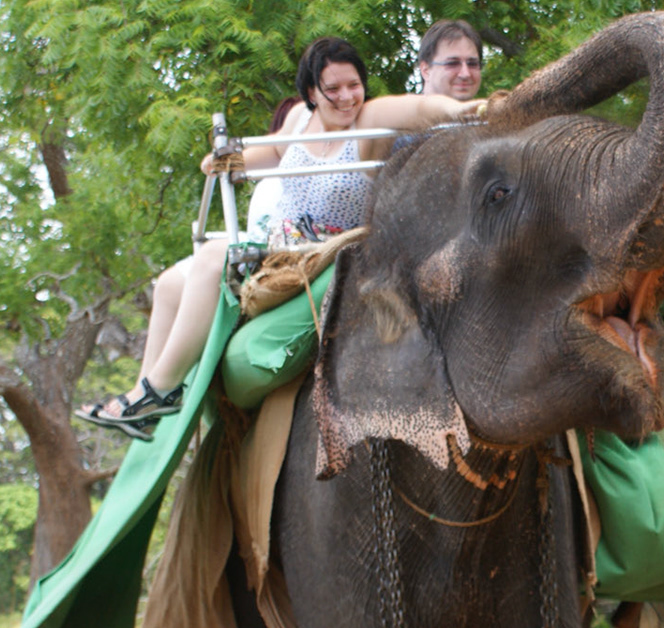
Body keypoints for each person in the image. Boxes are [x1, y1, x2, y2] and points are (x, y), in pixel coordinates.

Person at [78, 37, 479, 440]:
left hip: (317, 253)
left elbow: (419, 108)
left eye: (354, 85)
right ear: (311, 93)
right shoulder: (299, 121)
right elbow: (270, 155)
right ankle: (142, 399)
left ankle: (161, 389)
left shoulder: (368, 120)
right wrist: (226, 160)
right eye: (333, 88)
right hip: (275, 245)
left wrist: (462, 110)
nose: (346, 97)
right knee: (168, 285)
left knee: (215, 254)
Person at [415, 19, 483, 101]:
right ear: (426, 71)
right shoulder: (402, 109)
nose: (465, 74)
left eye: (472, 64)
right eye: (453, 63)